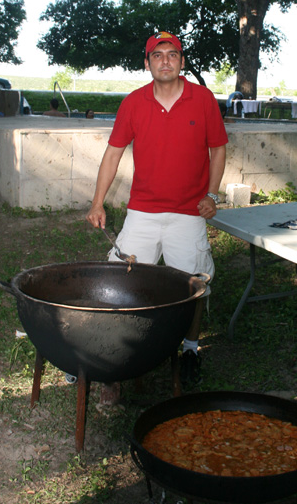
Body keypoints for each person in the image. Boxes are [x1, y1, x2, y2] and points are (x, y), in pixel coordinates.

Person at [86, 30, 228, 392]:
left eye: (172, 54)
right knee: (123, 279)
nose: (165, 60)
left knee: (195, 285)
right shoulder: (133, 102)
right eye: (157, 55)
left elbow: (218, 149)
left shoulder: (204, 99)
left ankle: (192, 349)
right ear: (147, 63)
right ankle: (122, 352)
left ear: (181, 61)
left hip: (188, 213)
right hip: (143, 212)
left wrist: (212, 193)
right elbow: (113, 153)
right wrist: (97, 201)